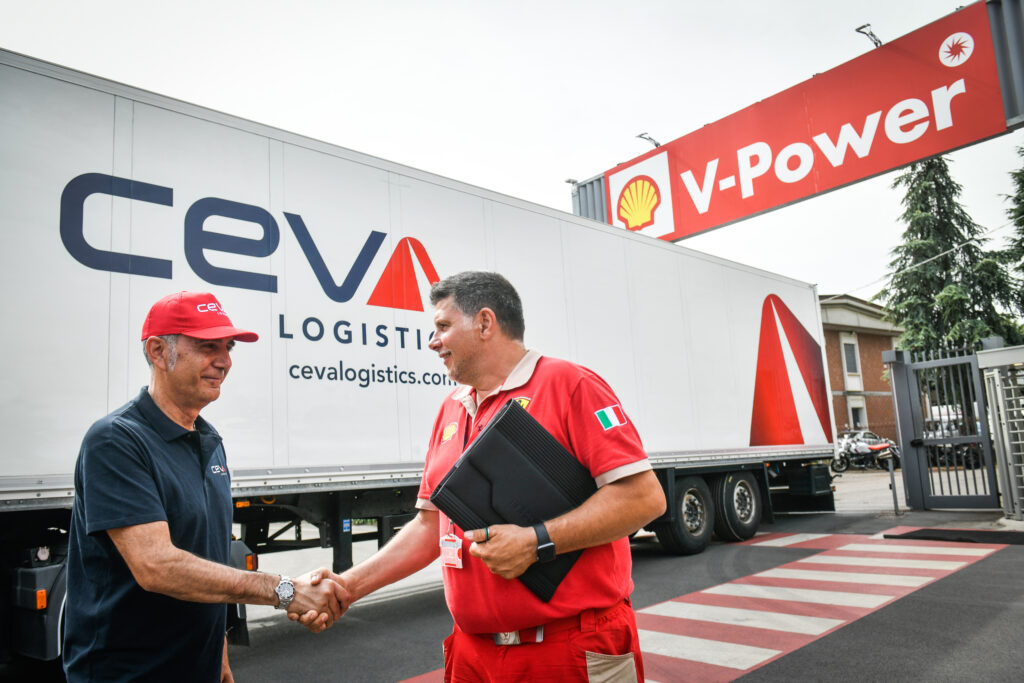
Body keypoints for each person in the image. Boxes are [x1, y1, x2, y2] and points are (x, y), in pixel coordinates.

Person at [303, 271, 666, 681]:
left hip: (568, 649)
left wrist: (537, 541)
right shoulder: (451, 408)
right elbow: (430, 527)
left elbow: (643, 498)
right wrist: (347, 586)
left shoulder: (569, 384)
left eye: (443, 326)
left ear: (485, 323)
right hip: (472, 654)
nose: (432, 342)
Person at [63, 291, 346, 683]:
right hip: (128, 673)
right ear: (158, 351)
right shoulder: (116, 441)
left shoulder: (208, 440)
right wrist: (285, 590)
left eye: (228, 347)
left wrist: (219, 652)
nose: (225, 360)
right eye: (207, 346)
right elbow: (158, 567)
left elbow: (208, 553)